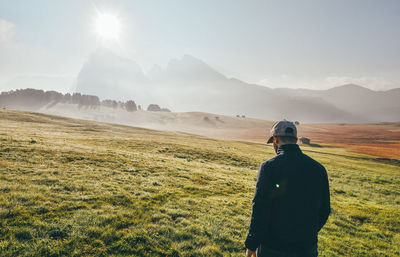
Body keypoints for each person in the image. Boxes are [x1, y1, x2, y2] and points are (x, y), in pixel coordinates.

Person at [244, 120, 331, 257]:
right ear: (296, 140)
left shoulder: (269, 167)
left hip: (273, 247)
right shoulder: (319, 169)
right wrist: (308, 232)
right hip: (307, 248)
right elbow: (325, 210)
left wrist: (252, 244)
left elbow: (261, 208)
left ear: (275, 139)